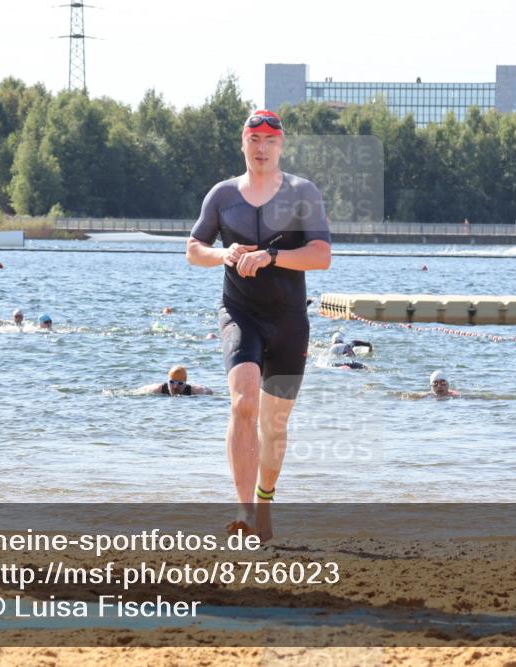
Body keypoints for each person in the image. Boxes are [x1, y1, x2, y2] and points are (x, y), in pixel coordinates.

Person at [186, 109, 332, 537]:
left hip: (288, 319)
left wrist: (272, 256)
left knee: (275, 423)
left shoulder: (302, 192)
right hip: (240, 313)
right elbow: (194, 248)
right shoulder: (222, 195)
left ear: (281, 145)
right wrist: (223, 255)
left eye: (270, 141)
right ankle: (245, 510)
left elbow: (321, 255)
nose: (262, 148)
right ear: (243, 143)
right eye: (254, 140)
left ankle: (265, 500)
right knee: (243, 403)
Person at [136, 365, 213, 396]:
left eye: (180, 383)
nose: (175, 386)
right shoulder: (156, 389)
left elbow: (210, 392)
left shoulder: (196, 391)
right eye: (172, 382)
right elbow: (136, 392)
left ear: (185, 383)